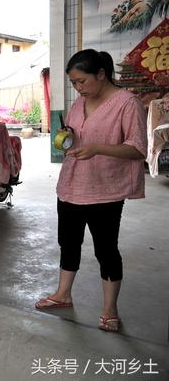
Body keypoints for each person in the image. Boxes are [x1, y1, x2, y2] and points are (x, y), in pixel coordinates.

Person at [35, 49, 147, 333]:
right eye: (74, 83)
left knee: (106, 250)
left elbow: (136, 149)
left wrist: (97, 148)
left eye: (81, 81)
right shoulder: (79, 101)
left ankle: (110, 310)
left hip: (105, 189)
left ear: (101, 74)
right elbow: (74, 131)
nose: (78, 88)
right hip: (72, 184)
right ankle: (63, 294)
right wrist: (66, 137)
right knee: (68, 242)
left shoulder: (127, 103)